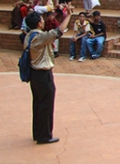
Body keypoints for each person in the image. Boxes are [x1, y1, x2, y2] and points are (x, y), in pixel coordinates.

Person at [24, 10, 72, 144]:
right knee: (46, 105)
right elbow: (59, 31)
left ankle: (38, 132)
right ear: (39, 23)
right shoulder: (39, 37)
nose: (44, 20)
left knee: (38, 103)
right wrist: (68, 15)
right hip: (43, 74)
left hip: (34, 74)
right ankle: (45, 135)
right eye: (42, 19)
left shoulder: (29, 35)